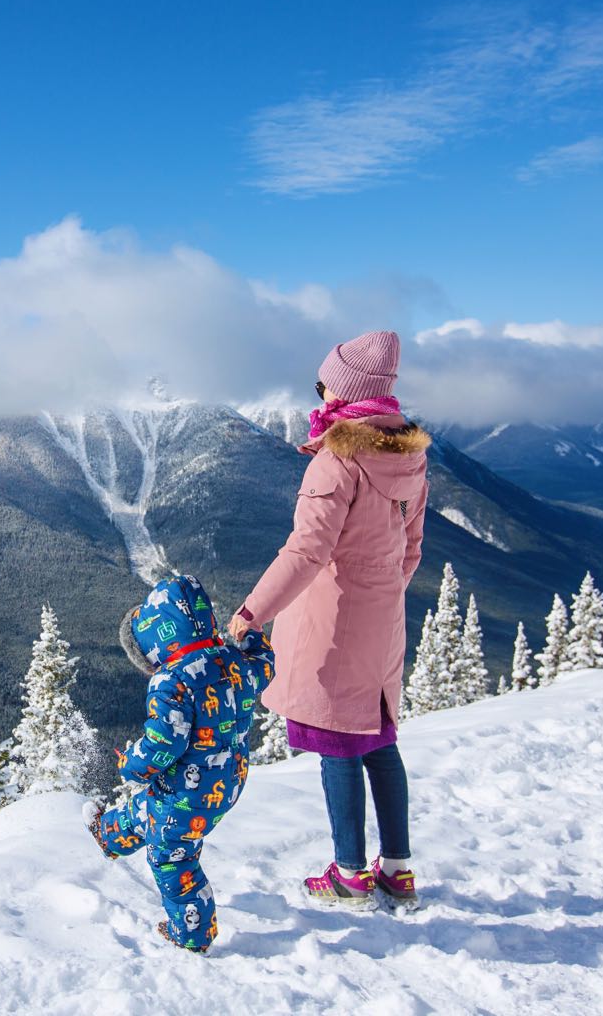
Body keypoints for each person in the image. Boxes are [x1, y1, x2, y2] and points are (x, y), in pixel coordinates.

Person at [228, 329, 429, 909]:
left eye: (324, 387)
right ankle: (398, 871)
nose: (318, 397)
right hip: (382, 621)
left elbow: (306, 552)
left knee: (340, 745)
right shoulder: (410, 456)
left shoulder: (338, 458)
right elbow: (410, 549)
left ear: (345, 391)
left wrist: (251, 613)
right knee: (378, 740)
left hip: (334, 626)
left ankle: (348, 874)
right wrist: (380, 594)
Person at [84, 574, 275, 953]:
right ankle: (108, 835)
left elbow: (163, 743)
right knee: (148, 810)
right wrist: (251, 636)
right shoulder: (235, 661)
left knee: (171, 855)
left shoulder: (171, 682)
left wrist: (130, 766)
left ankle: (192, 933)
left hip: (191, 791)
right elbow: (266, 664)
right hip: (229, 778)